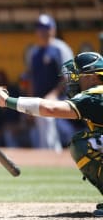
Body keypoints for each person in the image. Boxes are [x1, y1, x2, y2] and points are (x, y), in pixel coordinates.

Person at [0, 51, 103, 217]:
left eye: (78, 75)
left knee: (84, 143)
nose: (73, 80)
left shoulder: (96, 94)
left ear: (93, 77)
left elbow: (49, 108)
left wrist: (6, 101)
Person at [27, 14, 72, 152]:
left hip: (60, 100)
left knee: (49, 123)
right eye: (39, 28)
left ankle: (53, 156)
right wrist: (28, 102)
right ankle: (47, 158)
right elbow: (31, 79)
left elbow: (69, 76)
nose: (42, 31)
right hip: (40, 100)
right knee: (39, 133)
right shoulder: (34, 52)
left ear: (53, 29)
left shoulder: (61, 48)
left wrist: (53, 94)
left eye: (45, 28)